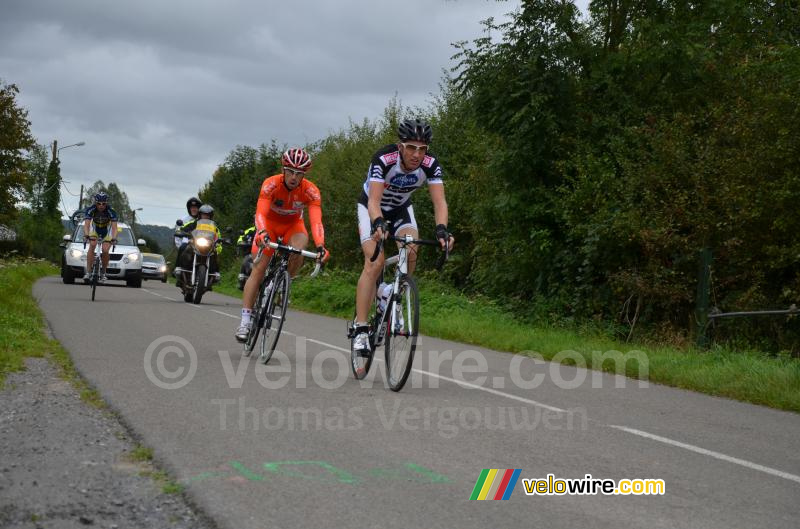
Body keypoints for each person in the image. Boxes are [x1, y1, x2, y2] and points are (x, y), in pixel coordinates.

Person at [351, 118, 454, 354]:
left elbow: (440, 202)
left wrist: (442, 230)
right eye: (411, 147)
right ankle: (361, 328)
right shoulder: (384, 159)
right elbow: (374, 201)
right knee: (374, 262)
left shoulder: (430, 164)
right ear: (400, 146)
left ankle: (391, 296)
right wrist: (377, 223)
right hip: (371, 209)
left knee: (411, 248)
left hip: (400, 209)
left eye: (422, 149)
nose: (416, 154)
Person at [234, 148, 329, 342]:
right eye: (290, 171)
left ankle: (283, 285)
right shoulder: (270, 184)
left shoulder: (311, 191)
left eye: (299, 173)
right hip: (268, 225)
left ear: (304, 174)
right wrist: (260, 233)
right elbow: (260, 212)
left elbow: (316, 221)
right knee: (258, 269)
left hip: (293, 226)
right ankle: (245, 321)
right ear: (283, 169)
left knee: (300, 246)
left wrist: (321, 246)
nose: (294, 177)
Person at [175, 204, 222, 287]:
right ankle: (179, 268)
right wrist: (181, 231)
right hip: (195, 244)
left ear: (211, 216)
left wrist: (220, 242)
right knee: (183, 247)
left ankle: (215, 274)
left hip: (208, 246)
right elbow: (183, 228)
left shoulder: (214, 227)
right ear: (200, 215)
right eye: (204, 214)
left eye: (207, 215)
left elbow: (218, 237)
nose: (205, 216)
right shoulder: (194, 223)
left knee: (215, 253)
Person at [82, 191, 119, 283]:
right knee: (93, 245)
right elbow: (86, 225)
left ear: (106, 203)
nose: (101, 206)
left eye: (103, 204)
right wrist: (86, 235)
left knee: (105, 250)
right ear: (96, 203)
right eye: (99, 204)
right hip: (95, 230)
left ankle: (103, 273)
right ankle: (89, 272)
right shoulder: (91, 209)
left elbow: (114, 228)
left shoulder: (111, 211)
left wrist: (114, 238)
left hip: (107, 232)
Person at [173, 197, 202, 277]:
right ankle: (177, 268)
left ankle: (211, 274)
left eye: (196, 208)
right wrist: (179, 245)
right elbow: (178, 233)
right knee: (183, 247)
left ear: (199, 209)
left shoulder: (203, 220)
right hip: (187, 241)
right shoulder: (183, 220)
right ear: (189, 209)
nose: (194, 209)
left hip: (200, 242)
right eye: (192, 208)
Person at [237, 225, 257, 290]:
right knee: (246, 259)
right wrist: (241, 242)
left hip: (264, 254)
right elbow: (240, 238)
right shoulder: (250, 230)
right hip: (250, 252)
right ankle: (242, 278)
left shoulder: (268, 230)